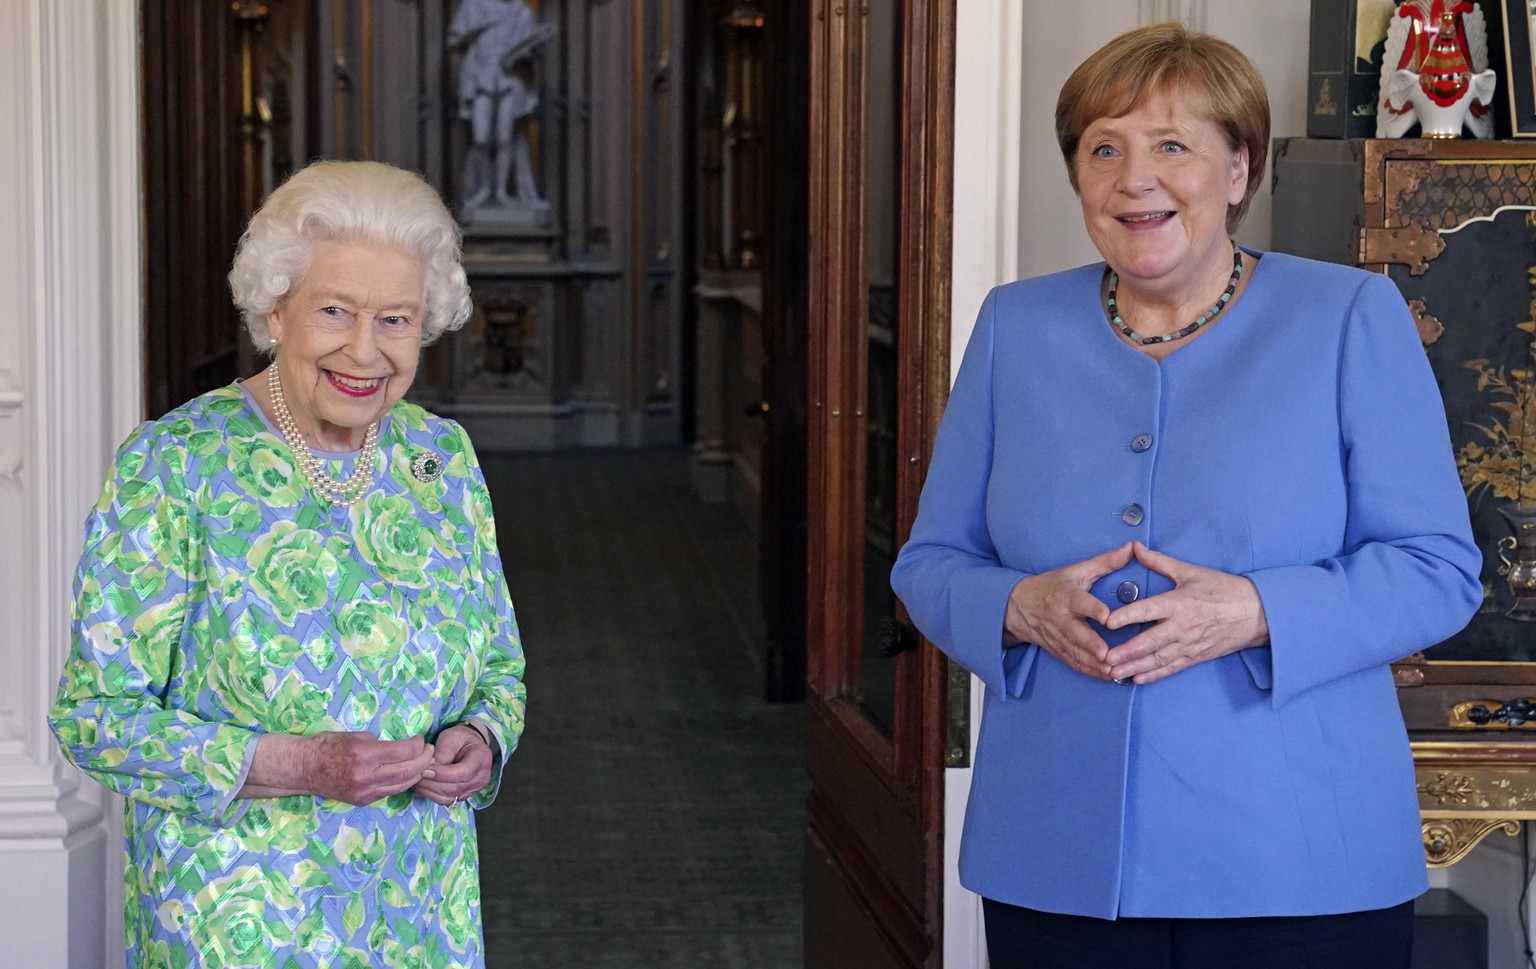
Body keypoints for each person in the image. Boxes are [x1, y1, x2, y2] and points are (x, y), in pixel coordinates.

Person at [890, 23, 1481, 969]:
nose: (1136, 179)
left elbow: (1438, 571)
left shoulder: (1347, 318)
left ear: (1238, 171)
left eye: (1174, 145)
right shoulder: (1016, 327)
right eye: (1104, 148)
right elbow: (928, 564)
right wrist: (1017, 604)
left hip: (1298, 856)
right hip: (1059, 855)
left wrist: (1254, 610)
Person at [48, 160, 526, 967]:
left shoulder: (440, 458)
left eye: (396, 320)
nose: (365, 351)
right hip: (238, 916)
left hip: (418, 907)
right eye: (335, 310)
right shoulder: (175, 463)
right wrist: (304, 763)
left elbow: (501, 670)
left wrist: (481, 735)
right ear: (276, 312)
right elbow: (97, 717)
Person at [447, 0, 555, 221]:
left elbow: (530, 47)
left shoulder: (520, 10)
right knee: (481, 137)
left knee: (506, 138)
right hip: (480, 76)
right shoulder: (473, 6)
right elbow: (452, 41)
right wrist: (467, 37)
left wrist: (527, 52)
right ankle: (484, 188)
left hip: (510, 78)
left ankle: (501, 192)